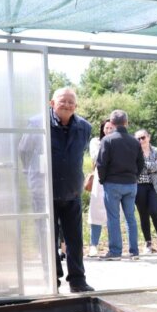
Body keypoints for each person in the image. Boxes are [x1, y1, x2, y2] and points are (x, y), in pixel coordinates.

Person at [17, 86, 94, 292]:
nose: (67, 104)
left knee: (75, 238)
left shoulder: (85, 127)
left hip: (71, 190)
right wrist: (33, 177)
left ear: (76, 106)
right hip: (43, 191)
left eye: (71, 101)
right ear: (52, 103)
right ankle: (52, 280)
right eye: (62, 100)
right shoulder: (36, 124)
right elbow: (23, 152)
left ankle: (78, 280)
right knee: (47, 237)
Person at [96, 109, 144, 261]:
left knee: (113, 218)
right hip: (131, 184)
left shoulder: (107, 140)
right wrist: (134, 177)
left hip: (112, 183)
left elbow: (101, 163)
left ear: (111, 123)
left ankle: (115, 252)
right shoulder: (134, 141)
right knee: (130, 217)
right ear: (126, 122)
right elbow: (141, 163)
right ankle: (134, 251)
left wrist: (103, 180)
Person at [134, 129, 157, 254]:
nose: (141, 140)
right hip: (139, 186)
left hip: (154, 187)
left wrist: (143, 164)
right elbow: (134, 168)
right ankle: (148, 242)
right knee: (143, 215)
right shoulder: (134, 152)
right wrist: (149, 166)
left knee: (155, 211)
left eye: (143, 137)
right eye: (138, 139)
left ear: (148, 137)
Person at [86, 119, 114, 257]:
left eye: (112, 128)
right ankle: (93, 245)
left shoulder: (118, 141)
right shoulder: (96, 141)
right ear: (103, 129)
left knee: (113, 213)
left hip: (115, 178)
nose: (109, 130)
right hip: (99, 179)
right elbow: (97, 157)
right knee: (96, 211)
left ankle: (113, 245)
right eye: (107, 128)